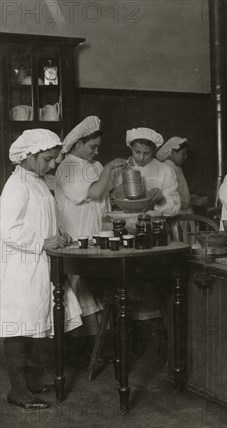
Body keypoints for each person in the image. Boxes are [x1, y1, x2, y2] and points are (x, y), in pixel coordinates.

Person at [1, 130, 84, 409]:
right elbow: (7, 230)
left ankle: (31, 382)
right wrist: (43, 241)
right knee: (18, 327)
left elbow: (43, 220)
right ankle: (17, 391)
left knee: (35, 324)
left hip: (38, 263)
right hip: (20, 266)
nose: (52, 164)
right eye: (48, 159)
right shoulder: (17, 185)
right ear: (29, 156)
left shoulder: (36, 181)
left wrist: (59, 235)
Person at [54, 117, 127, 352]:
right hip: (77, 234)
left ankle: (101, 345)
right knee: (79, 289)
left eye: (98, 147)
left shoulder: (94, 166)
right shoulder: (68, 167)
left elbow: (110, 195)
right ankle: (80, 348)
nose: (96, 151)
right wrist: (108, 168)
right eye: (91, 146)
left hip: (98, 233)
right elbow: (94, 193)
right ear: (77, 144)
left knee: (97, 289)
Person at [113, 127, 181, 217]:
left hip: (155, 225)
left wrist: (161, 200)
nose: (141, 157)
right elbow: (111, 204)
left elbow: (175, 209)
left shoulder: (165, 171)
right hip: (126, 223)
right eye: (137, 152)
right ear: (131, 147)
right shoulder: (119, 169)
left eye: (146, 153)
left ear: (153, 151)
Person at [156, 136, 193, 214]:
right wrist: (194, 202)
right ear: (172, 153)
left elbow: (178, 191)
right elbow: (169, 197)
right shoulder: (168, 168)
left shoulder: (176, 167)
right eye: (183, 154)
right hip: (175, 213)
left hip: (183, 212)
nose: (186, 157)